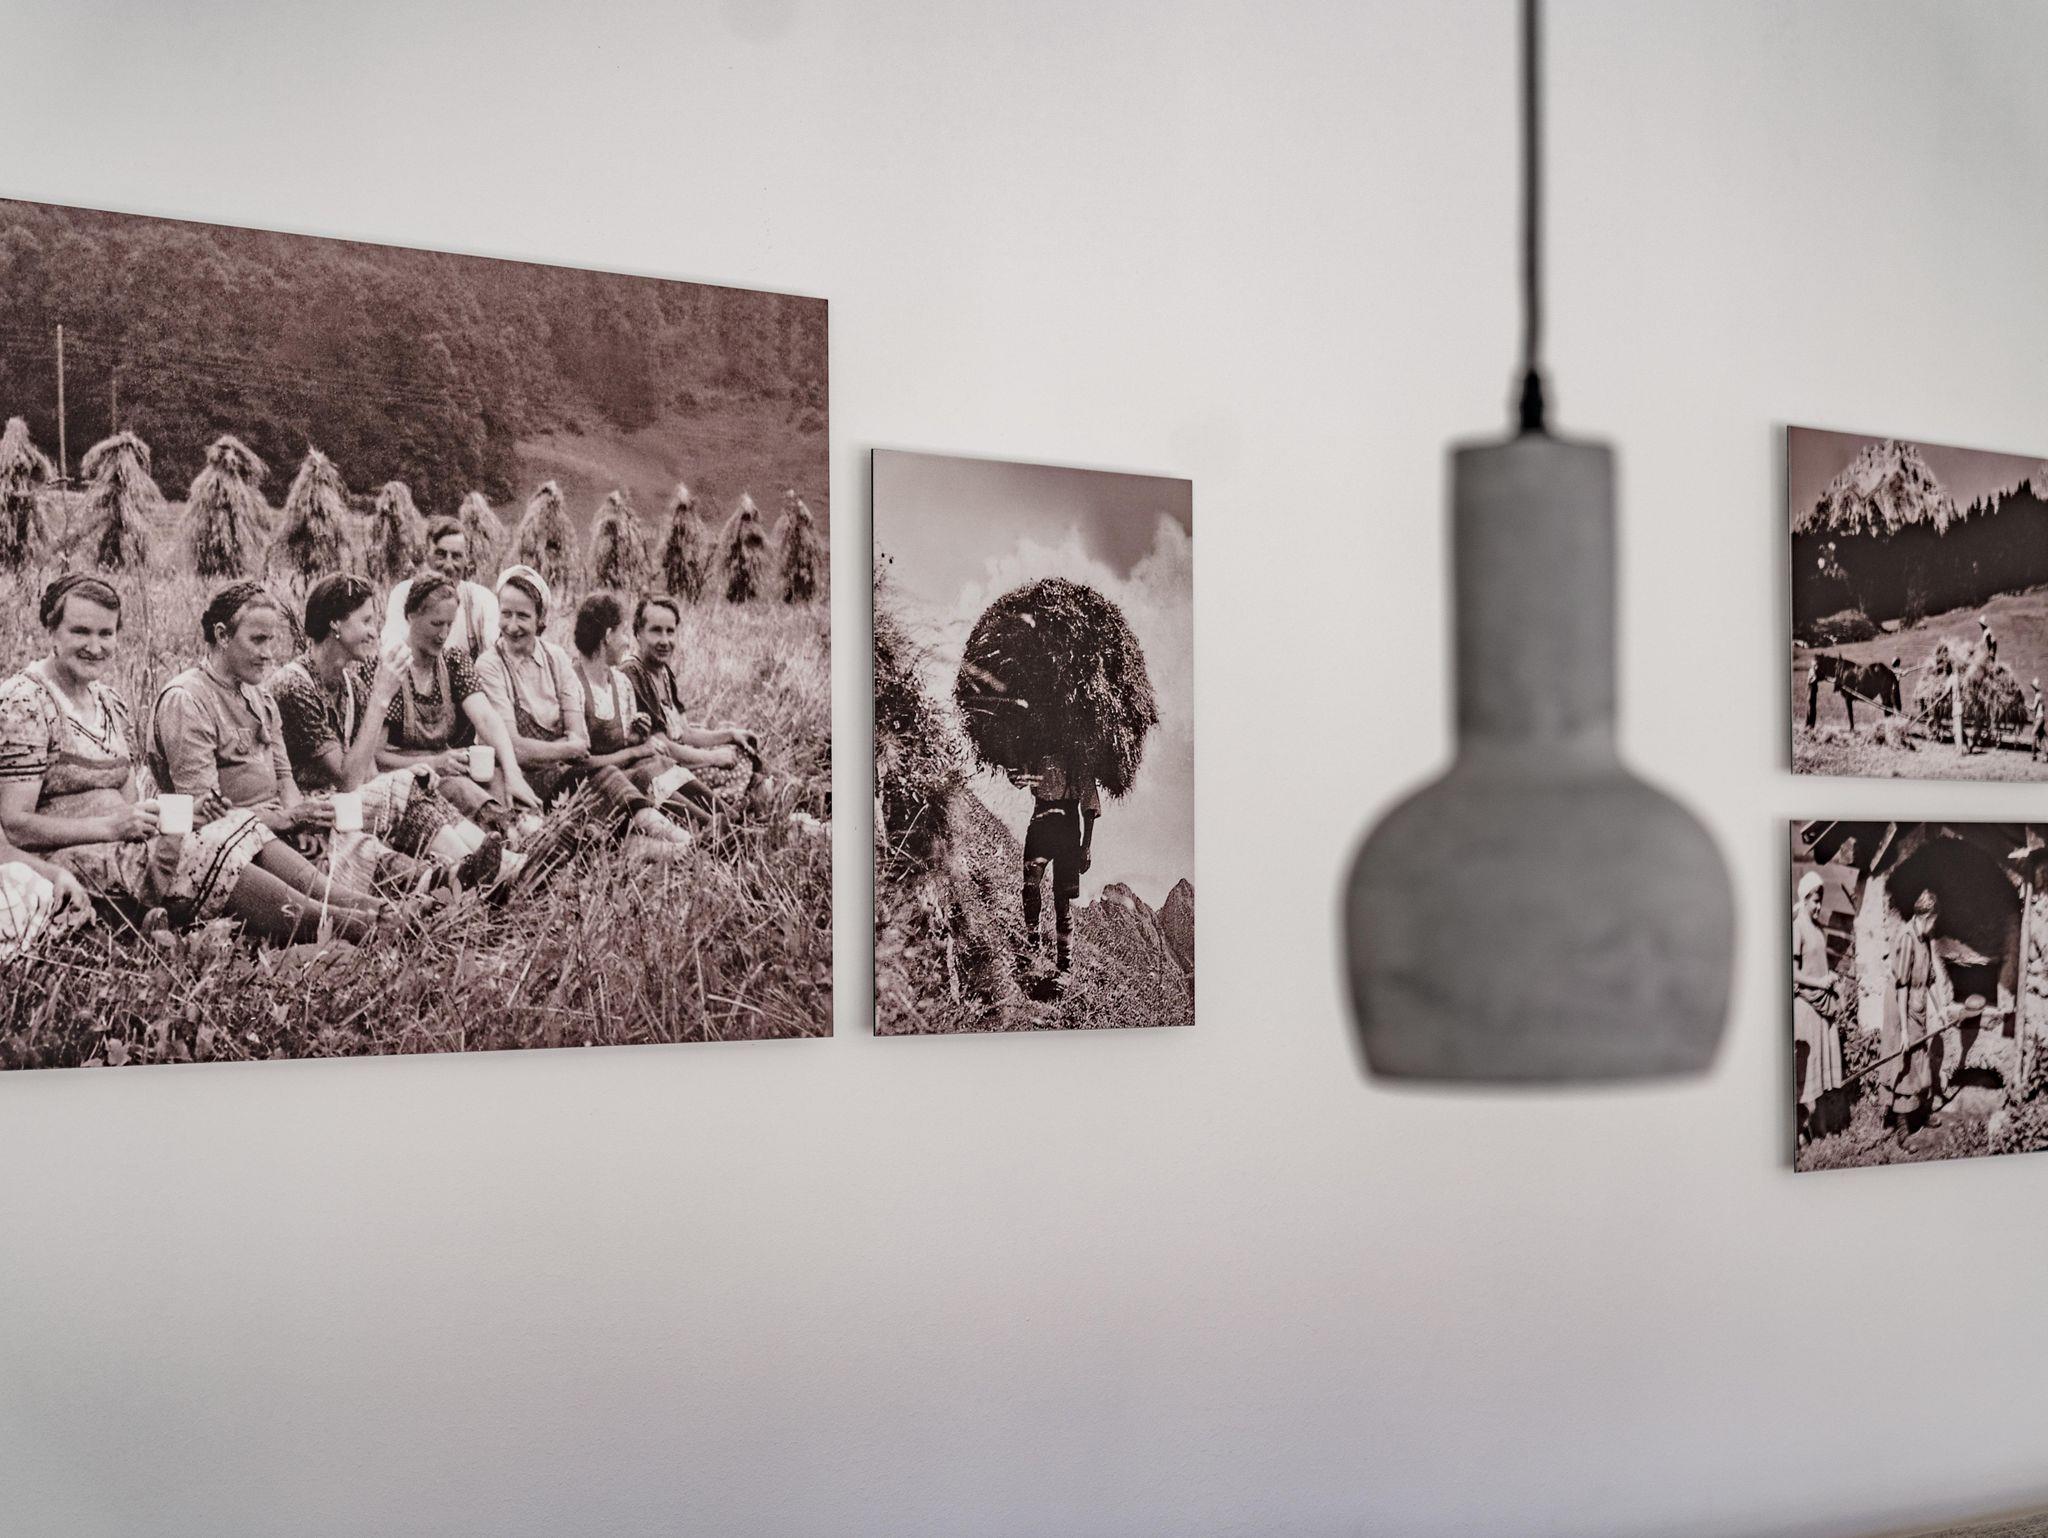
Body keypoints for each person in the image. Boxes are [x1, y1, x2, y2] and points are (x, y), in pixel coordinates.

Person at [0, 575, 362, 944]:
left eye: (106, 634)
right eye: (81, 632)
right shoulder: (26, 702)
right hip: (65, 859)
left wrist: (185, 814)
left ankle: (359, 906)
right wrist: (110, 827)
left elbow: (131, 809)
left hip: (121, 846)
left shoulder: (107, 701)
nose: (95, 647)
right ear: (52, 630)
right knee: (202, 853)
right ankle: (353, 925)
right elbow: (14, 826)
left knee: (235, 823)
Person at [149, 580, 394, 941]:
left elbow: (285, 779)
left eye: (271, 641)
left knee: (345, 829)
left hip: (271, 830)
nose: (268, 654)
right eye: (258, 640)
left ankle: (401, 895)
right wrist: (287, 819)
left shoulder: (260, 698)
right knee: (247, 835)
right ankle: (357, 921)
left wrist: (298, 821)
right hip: (222, 843)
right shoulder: (188, 699)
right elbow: (204, 814)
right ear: (222, 635)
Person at [269, 574, 511, 893]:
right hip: (310, 812)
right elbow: (347, 780)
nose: (374, 631)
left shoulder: (351, 685)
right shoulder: (295, 686)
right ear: (335, 624)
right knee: (404, 788)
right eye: (366, 620)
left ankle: (496, 865)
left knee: (412, 786)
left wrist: (411, 774)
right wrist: (381, 697)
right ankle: (485, 872)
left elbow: (369, 777)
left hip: (346, 805)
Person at [474, 568, 691, 857]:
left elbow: (581, 741)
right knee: (591, 812)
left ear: (540, 619)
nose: (512, 626)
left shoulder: (555, 658)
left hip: (559, 775)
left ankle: (680, 841)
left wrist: (559, 749)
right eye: (506, 614)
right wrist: (564, 747)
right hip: (517, 782)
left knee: (607, 788)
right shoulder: (489, 665)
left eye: (523, 616)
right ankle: (677, 849)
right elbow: (515, 750)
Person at [374, 572, 539, 820]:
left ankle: (528, 827)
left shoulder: (453, 662)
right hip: (406, 778)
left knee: (500, 782)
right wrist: (435, 762)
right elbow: (376, 757)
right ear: (411, 616)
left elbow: (486, 718)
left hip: (448, 766)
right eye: (436, 624)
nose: (443, 634)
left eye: (449, 625)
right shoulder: (391, 669)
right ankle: (506, 832)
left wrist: (513, 772)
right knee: (463, 791)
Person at [619, 594, 769, 825]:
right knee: (738, 766)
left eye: (670, 631)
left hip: (681, 756)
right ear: (638, 633)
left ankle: (764, 793)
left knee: (741, 750)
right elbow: (664, 747)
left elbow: (686, 732)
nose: (665, 640)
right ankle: (744, 805)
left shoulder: (663, 672)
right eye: (656, 631)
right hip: (659, 768)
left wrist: (730, 735)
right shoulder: (633, 673)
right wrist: (713, 758)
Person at [1012, 751, 1101, 980]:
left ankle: (1064, 965)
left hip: (1067, 830)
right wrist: (1008, 756)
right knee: (1030, 885)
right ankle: (1033, 946)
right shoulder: (1037, 751)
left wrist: (1086, 846)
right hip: (1040, 825)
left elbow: (1089, 807)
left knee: (1062, 900)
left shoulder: (1078, 758)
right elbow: (1019, 780)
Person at [381, 518, 499, 663]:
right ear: (426, 554)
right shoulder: (404, 593)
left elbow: (496, 654)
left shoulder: (481, 600)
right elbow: (392, 645)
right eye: (441, 555)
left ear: (466, 559)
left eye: (456, 556)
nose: (448, 565)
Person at [1885, 887, 1949, 1134]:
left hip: (1918, 1008)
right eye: (1934, 920)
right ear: (1927, 916)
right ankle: (1902, 1130)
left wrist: (1941, 1009)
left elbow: (1930, 979)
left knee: (1920, 1062)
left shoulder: (1924, 940)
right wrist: (1903, 1030)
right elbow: (1902, 986)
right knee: (1906, 1066)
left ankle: (1921, 1114)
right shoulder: (1907, 938)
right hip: (1903, 1008)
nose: (1934, 926)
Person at [1792, 870, 1846, 1141]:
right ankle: (1802, 1130)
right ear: (1804, 899)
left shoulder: (1817, 928)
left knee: (1821, 1069)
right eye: (1814, 901)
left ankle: (1822, 1127)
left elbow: (1819, 964)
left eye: (1820, 900)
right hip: (1806, 1005)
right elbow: (1793, 973)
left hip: (1823, 1004)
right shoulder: (1797, 928)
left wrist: (1831, 978)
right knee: (1807, 1072)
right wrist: (1819, 982)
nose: (1818, 906)